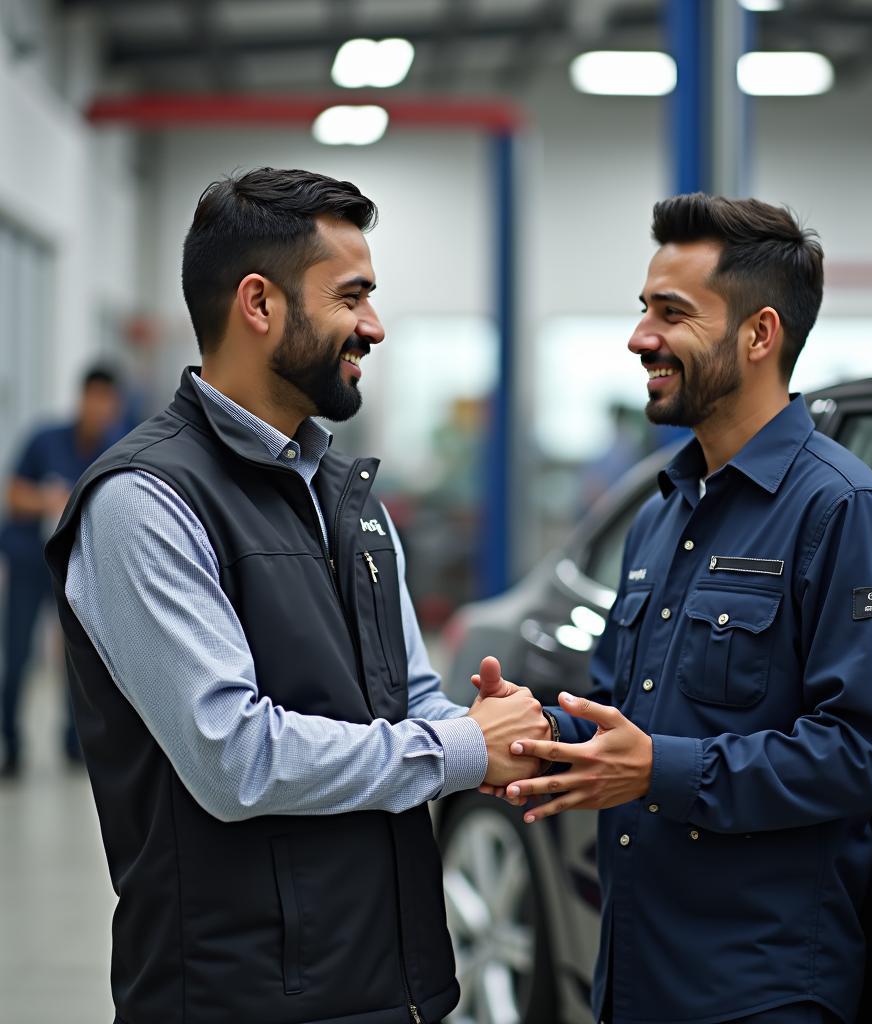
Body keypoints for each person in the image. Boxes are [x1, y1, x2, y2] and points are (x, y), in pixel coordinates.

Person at [44, 168, 548, 1024]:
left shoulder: (349, 496)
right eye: (352, 297)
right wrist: (458, 748)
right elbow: (233, 758)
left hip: (393, 982)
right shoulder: (145, 502)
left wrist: (498, 737)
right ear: (259, 303)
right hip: (237, 995)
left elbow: (410, 699)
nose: (374, 326)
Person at [499, 194, 872, 1024]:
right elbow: (629, 722)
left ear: (760, 335)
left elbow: (863, 753)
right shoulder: (661, 516)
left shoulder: (843, 512)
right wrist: (540, 734)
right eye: (642, 310)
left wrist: (659, 769)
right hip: (633, 972)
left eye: (672, 313)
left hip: (755, 990)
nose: (639, 338)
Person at [0, 365, 124, 776]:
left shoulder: (117, 449)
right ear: (82, 399)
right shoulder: (45, 440)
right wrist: (49, 500)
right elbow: (13, 496)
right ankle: (10, 744)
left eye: (108, 402)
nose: (99, 409)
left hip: (76, 570)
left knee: (77, 659)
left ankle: (75, 744)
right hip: (29, 563)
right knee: (18, 654)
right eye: (94, 398)